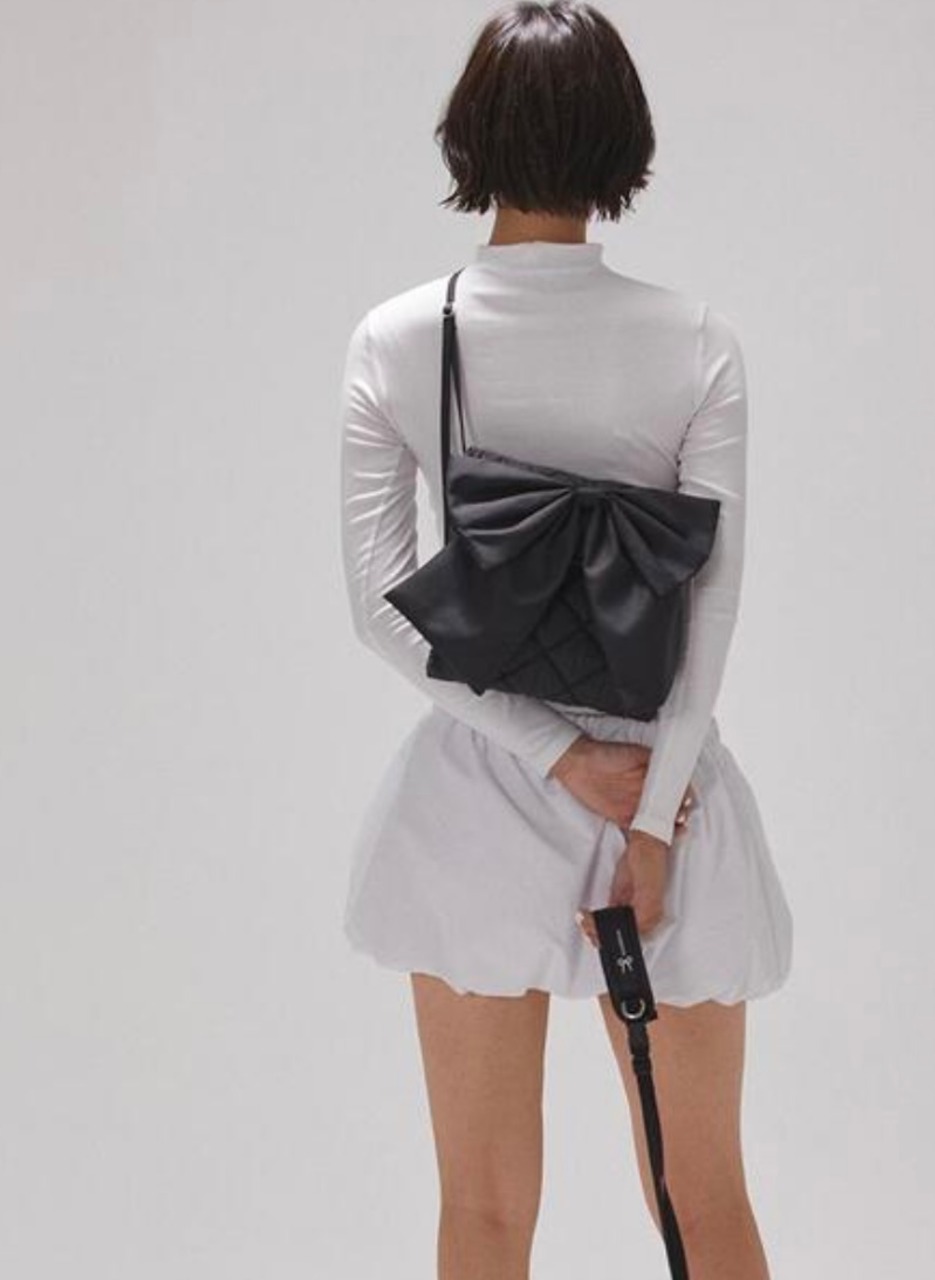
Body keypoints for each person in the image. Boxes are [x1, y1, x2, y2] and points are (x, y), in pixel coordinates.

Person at [338, 3, 793, 1277]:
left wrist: (552, 756)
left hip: (481, 784)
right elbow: (712, 601)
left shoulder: (398, 337)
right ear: (619, 138)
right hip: (665, 781)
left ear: (469, 133)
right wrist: (645, 812)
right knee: (701, 1197)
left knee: (483, 1210)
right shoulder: (694, 338)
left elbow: (379, 603)